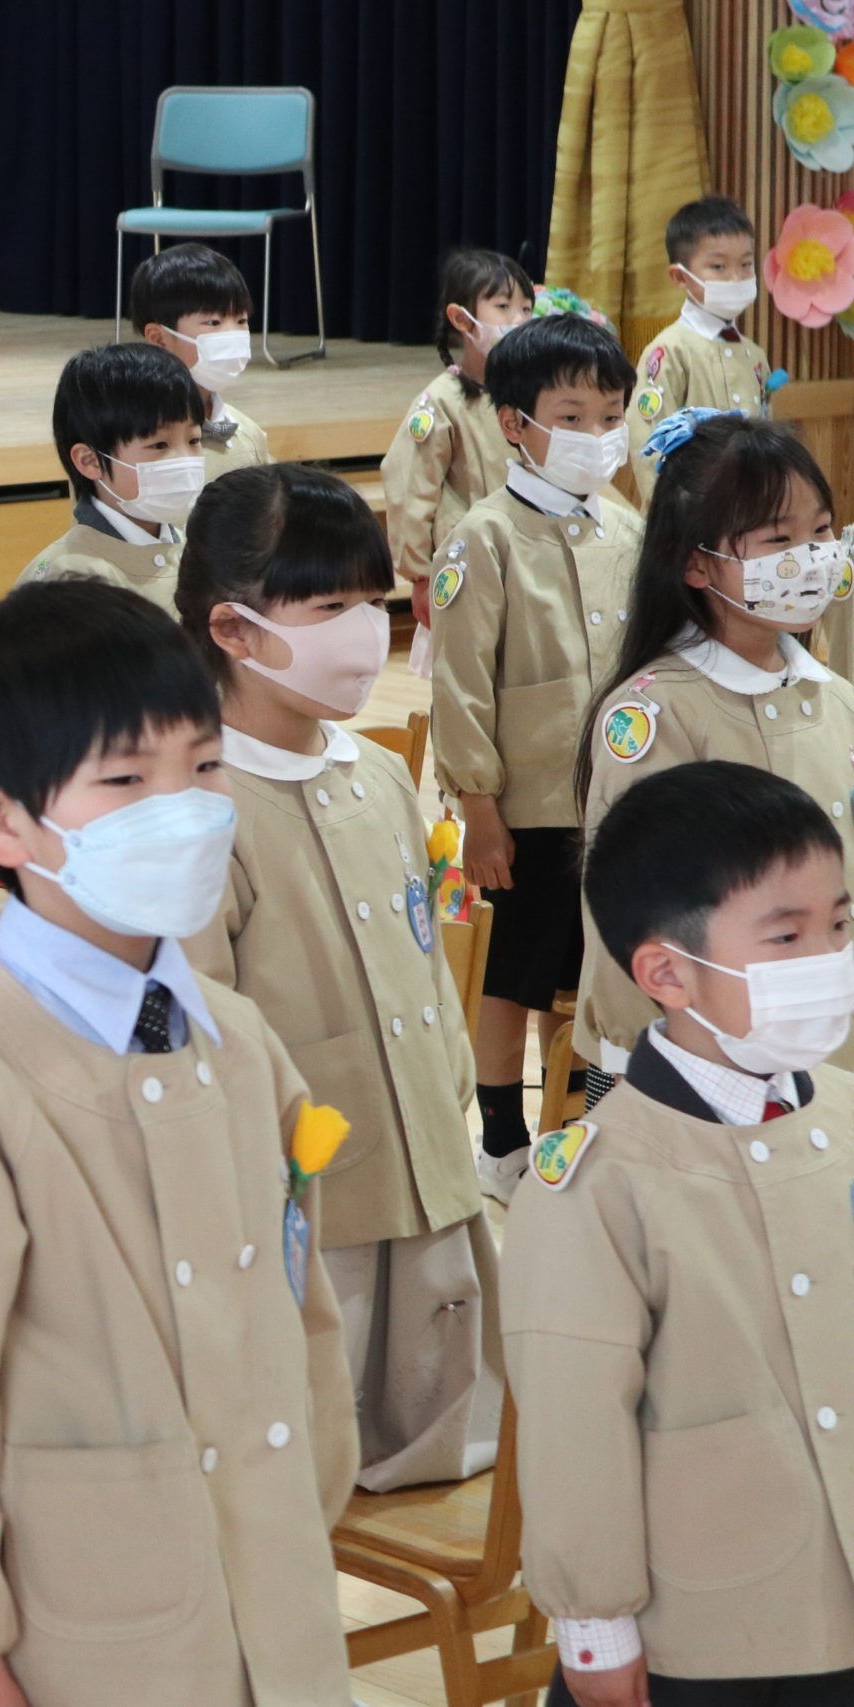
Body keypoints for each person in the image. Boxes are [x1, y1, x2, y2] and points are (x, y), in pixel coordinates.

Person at [0, 578, 357, 1707]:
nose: (184, 809)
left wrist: (306, 1498)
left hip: (265, 1600)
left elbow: (297, 1299)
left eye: (202, 767)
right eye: (125, 781)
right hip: (75, 1629)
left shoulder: (239, 1039)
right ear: (0, 822)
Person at [177, 462, 500, 1491]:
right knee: (305, 1465)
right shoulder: (196, 808)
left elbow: (423, 962)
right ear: (232, 629)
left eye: (370, 601)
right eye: (327, 609)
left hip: (429, 1178)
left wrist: (446, 1097)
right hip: (310, 1213)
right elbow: (197, 1040)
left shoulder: (381, 776)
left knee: (456, 1445)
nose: (363, 633)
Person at [510, 759, 854, 1707]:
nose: (828, 958)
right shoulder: (598, 1177)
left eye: (840, 924)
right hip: (709, 1628)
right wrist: (593, 1626)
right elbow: (575, 1422)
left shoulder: (848, 1113)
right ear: (666, 971)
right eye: (786, 936)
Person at [574, 410, 854, 1092]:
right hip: (704, 1066)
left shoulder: (836, 697)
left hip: (829, 1046)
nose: (811, 557)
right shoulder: (658, 713)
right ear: (697, 563)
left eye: (821, 531)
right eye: (778, 539)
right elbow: (633, 912)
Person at [428, 311, 639, 1200]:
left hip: (616, 800)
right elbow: (460, 684)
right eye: (573, 417)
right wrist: (478, 808)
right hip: (527, 806)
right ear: (516, 423)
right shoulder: (484, 536)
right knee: (512, 976)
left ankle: (586, 1122)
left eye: (611, 416)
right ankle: (502, 1139)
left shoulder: (626, 527)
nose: (597, 435)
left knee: (601, 972)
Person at [382, 249, 533, 603]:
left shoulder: (536, 395)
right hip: (466, 571)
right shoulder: (442, 402)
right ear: (462, 320)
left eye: (527, 309)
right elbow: (411, 488)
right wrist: (420, 575)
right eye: (503, 306)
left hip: (526, 564)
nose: (519, 319)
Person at [17, 341, 205, 608]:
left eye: (194, 440)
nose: (184, 460)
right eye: (159, 445)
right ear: (90, 461)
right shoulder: (68, 578)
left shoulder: (197, 550)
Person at [631, 197, 774, 505]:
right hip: (689, 515)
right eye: (719, 266)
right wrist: (673, 515)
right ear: (680, 276)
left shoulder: (755, 356)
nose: (736, 278)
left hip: (750, 511)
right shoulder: (669, 351)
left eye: (746, 264)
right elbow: (649, 443)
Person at [130, 243, 268, 483]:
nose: (232, 335)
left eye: (241, 320)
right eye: (213, 323)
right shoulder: (127, 436)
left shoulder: (247, 433)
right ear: (159, 338)